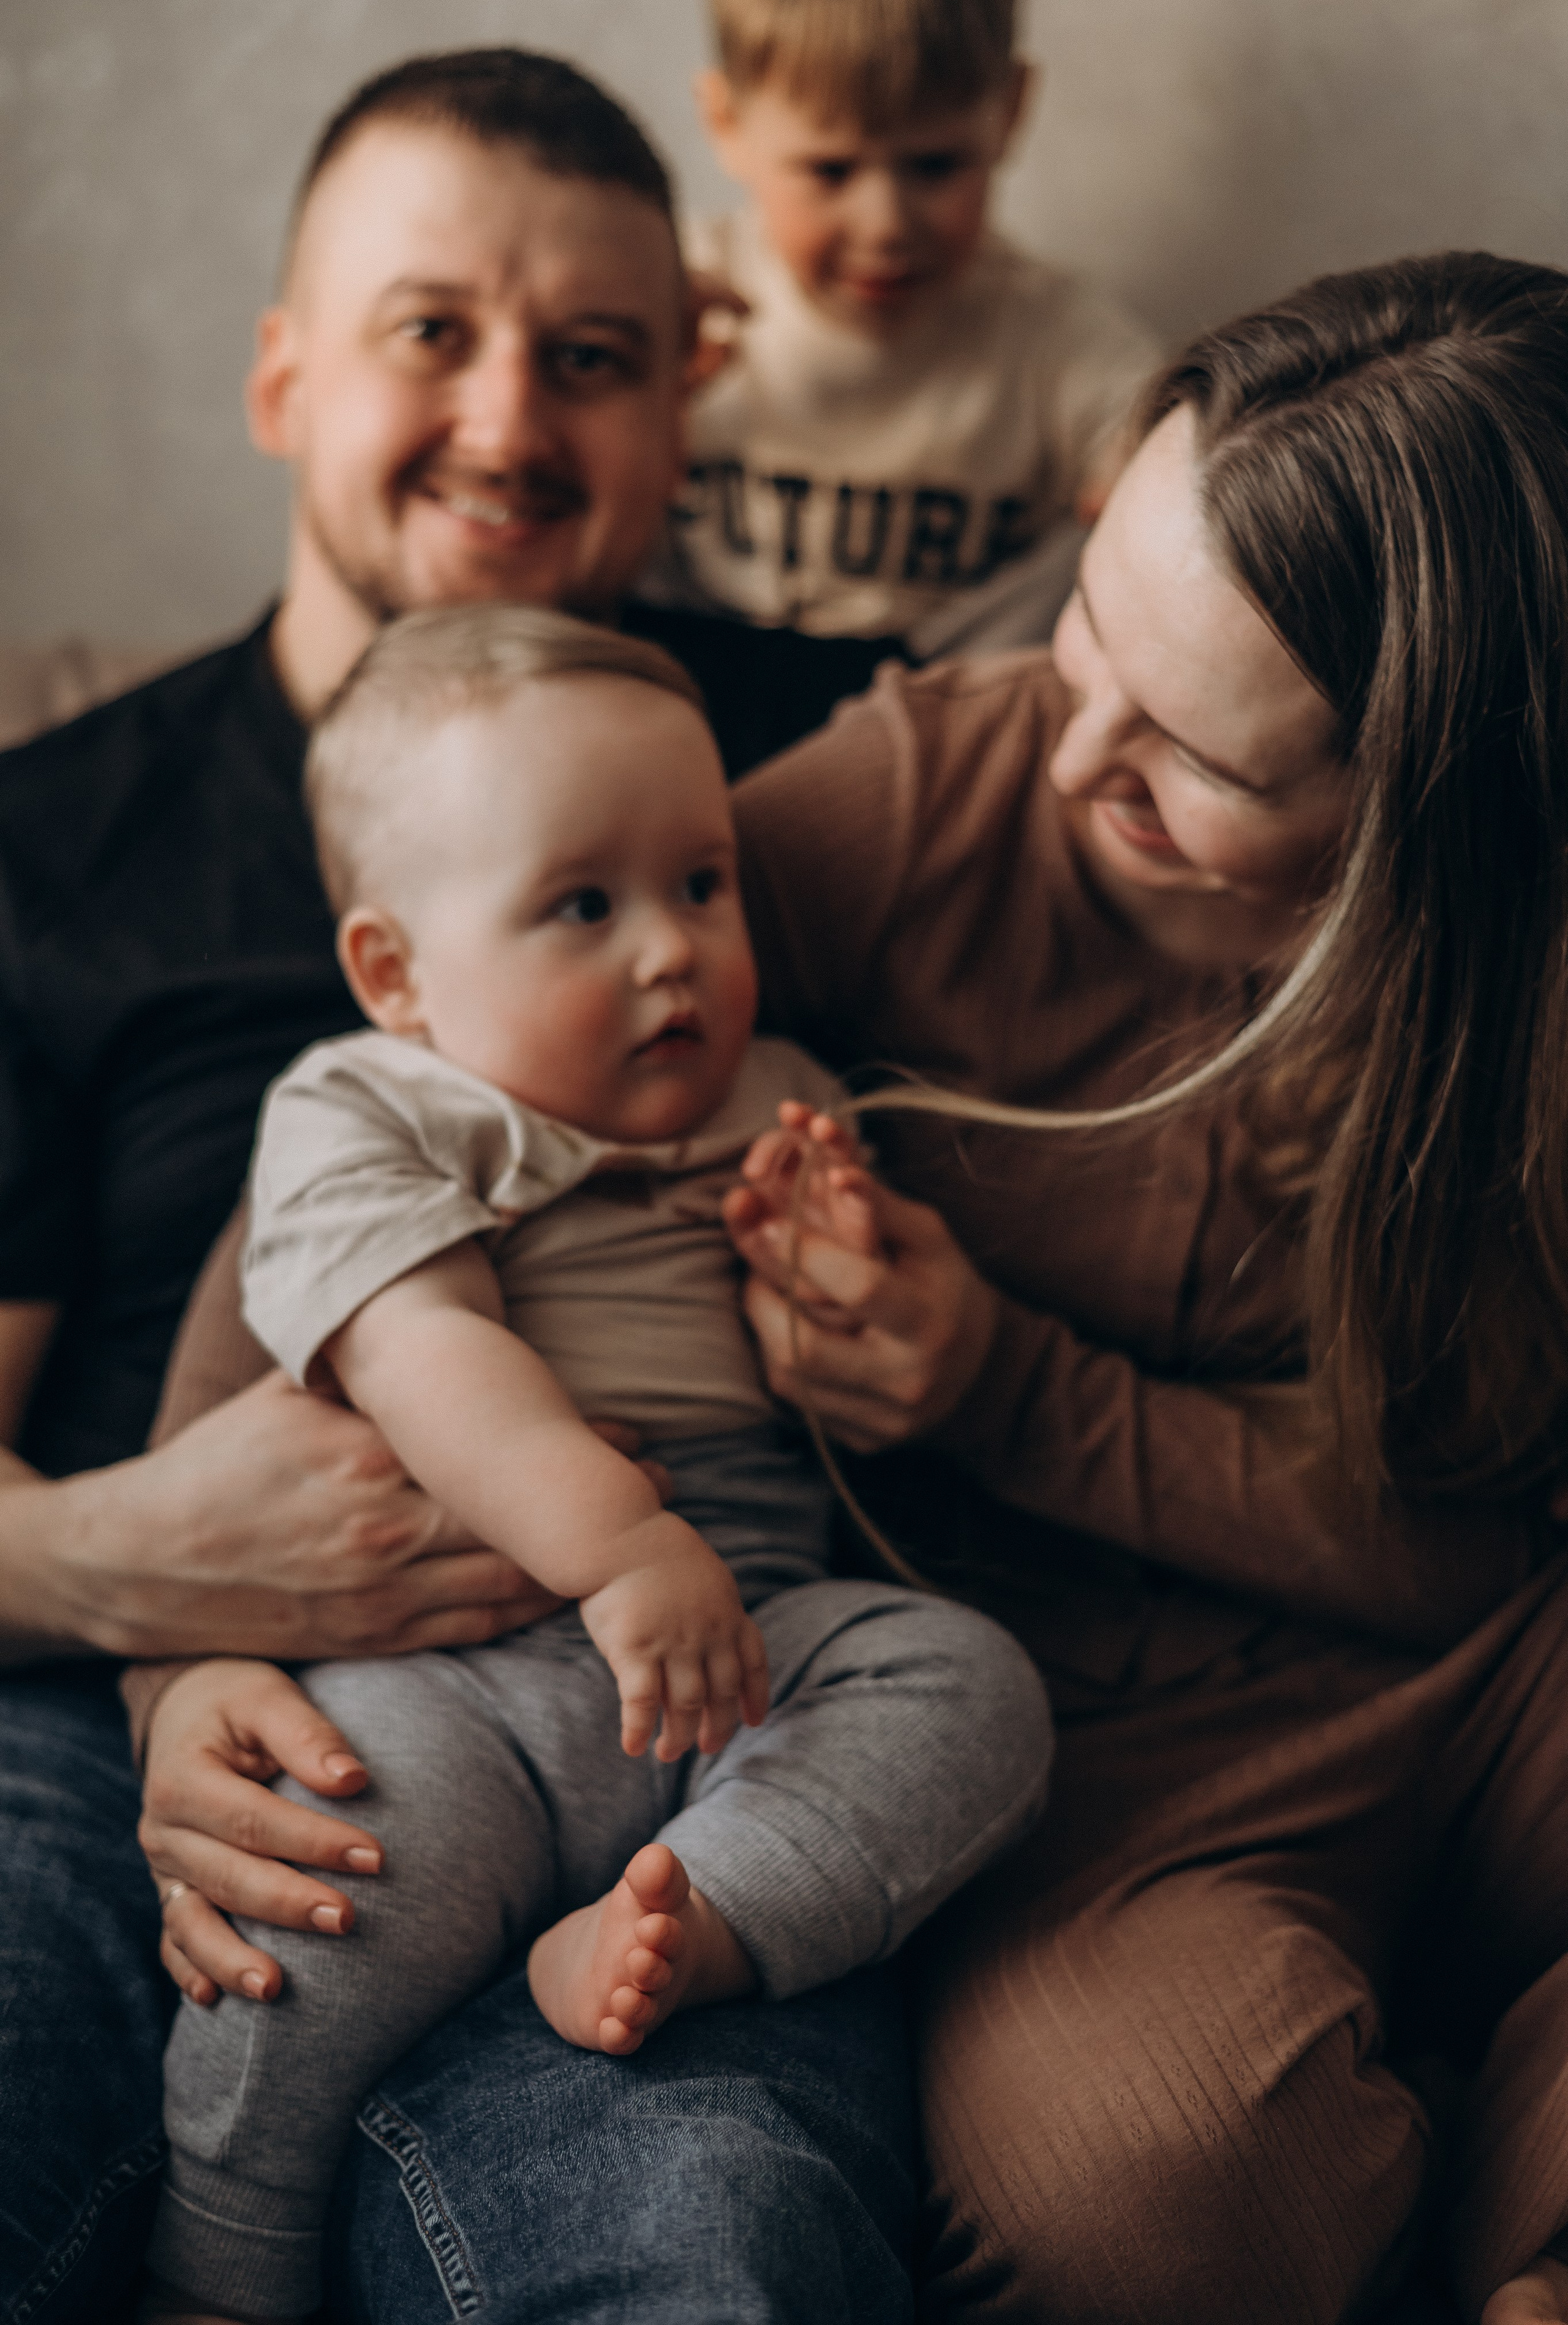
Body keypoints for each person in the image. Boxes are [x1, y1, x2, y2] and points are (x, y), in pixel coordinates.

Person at [0, 49, 932, 2324]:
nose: (511, 420)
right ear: (280, 372)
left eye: (594, 357)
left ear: (686, 401)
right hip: (125, 1721)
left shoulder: (828, 769)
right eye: (432, 329)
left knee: (705, 2242)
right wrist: (135, 1580)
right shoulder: (48, 844)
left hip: (688, 1730)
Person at [713, 251, 1568, 2321]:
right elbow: (428, 1090)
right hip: (1093, 1757)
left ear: (1419, 819)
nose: (1069, 736)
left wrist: (1011, 1378)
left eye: (1187, 751)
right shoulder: (930, 797)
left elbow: (1473, 1566)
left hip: (1496, 1668)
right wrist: (197, 1640)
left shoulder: (1523, 991)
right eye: (1087, 617)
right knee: (1156, 2184)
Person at [138, 603, 1049, 2324]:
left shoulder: (780, 1094)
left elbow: (859, 1388)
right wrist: (624, 1546)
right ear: (397, 973)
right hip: (460, 1675)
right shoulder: (366, 1111)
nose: (672, 953)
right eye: (584, 906)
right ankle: (220, 2269)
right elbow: (425, 1353)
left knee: (968, 1683)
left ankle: (690, 1920)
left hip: (747, 1660)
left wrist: (838, 1269)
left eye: (703, 884)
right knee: (311, 1908)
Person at [637, 0, 1159, 660]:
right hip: (687, 666)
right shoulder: (673, 290)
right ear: (726, 124)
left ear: (1009, 111)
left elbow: (1180, 432)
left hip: (931, 700)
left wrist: (1149, 468)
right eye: (830, 171)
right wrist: (633, 375)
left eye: (936, 166)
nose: (884, 225)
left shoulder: (1051, 338)